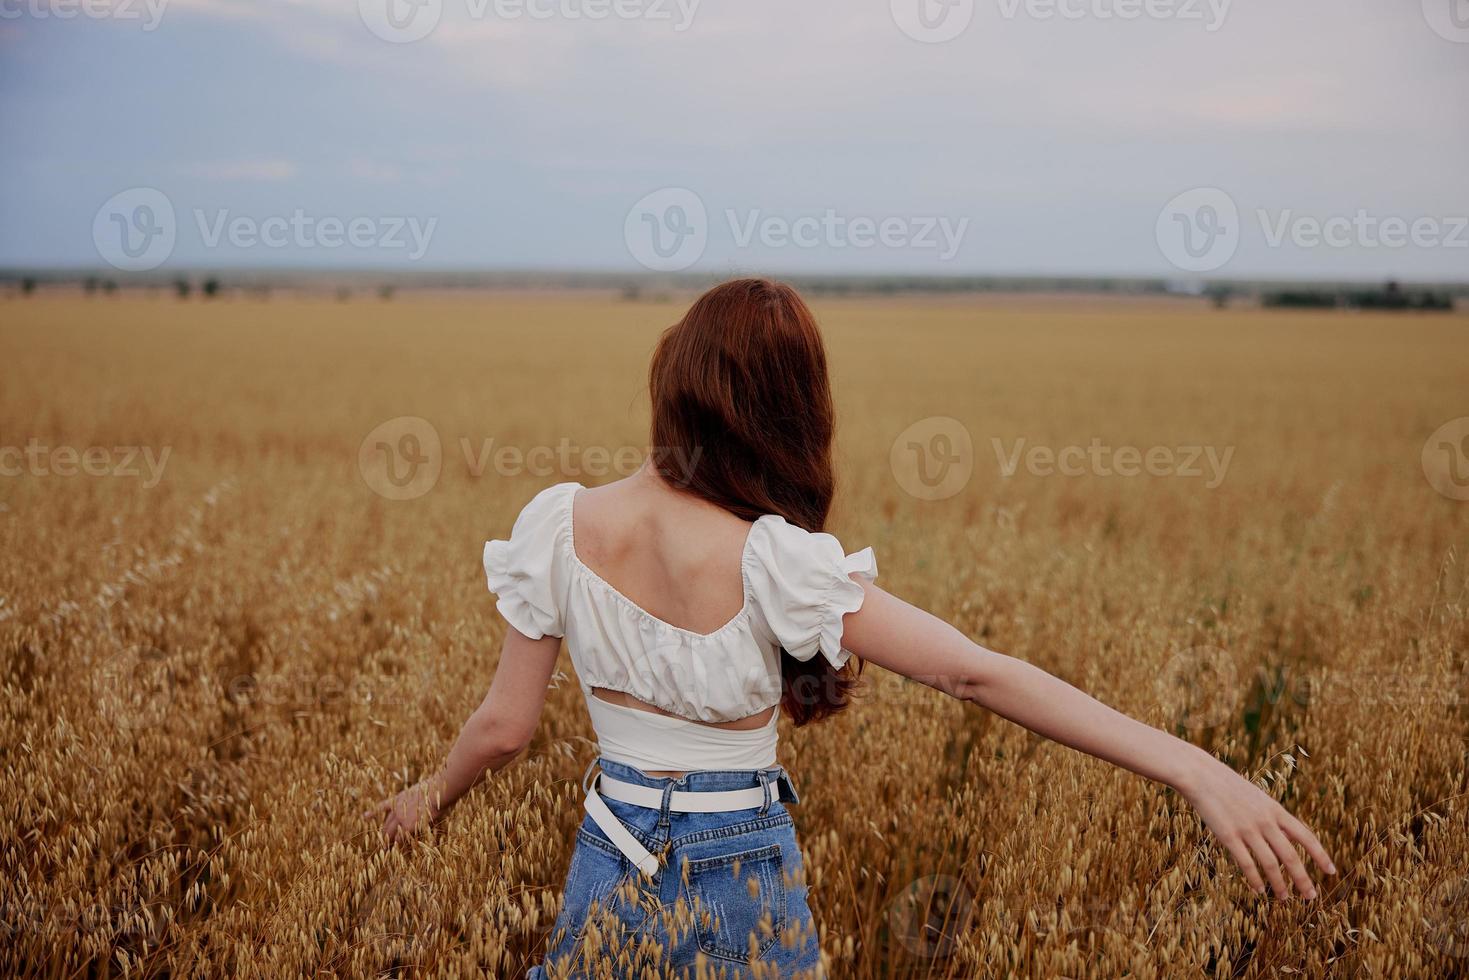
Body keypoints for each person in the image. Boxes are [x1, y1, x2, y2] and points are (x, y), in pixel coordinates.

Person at [374, 278, 1335, 977]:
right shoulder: (776, 561)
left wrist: (427, 796)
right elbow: (975, 674)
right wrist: (1197, 768)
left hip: (606, 852)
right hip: (736, 863)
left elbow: (504, 728)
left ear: (674, 378)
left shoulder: (557, 522)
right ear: (791, 411)